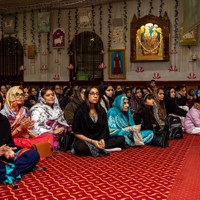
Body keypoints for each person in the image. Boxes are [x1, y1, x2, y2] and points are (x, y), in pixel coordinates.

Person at [72, 86, 125, 156]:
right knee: (79, 146)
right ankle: (101, 149)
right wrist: (92, 141)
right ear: (87, 96)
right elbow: (76, 133)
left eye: (97, 94)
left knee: (121, 139)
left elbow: (105, 130)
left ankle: (98, 148)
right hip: (87, 141)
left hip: (99, 140)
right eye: (92, 94)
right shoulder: (80, 111)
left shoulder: (102, 110)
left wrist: (102, 140)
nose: (95, 96)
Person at [0, 112, 39, 184]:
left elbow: (9, 141)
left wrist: (8, 150)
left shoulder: (3, 120)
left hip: (7, 153)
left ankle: (9, 171)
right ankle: (11, 171)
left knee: (33, 155)